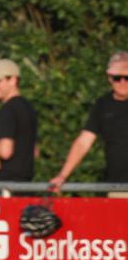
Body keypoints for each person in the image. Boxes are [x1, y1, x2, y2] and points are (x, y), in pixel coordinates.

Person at [50, 51, 128, 198]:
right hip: (117, 188)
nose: (123, 82)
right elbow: (84, 142)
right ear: (109, 78)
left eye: (127, 77)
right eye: (118, 78)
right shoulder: (102, 105)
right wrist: (62, 175)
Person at [0, 58, 38, 182]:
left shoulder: (8, 110)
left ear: (13, 80)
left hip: (5, 183)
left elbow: (5, 151)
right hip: (25, 184)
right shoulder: (29, 108)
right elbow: (35, 151)